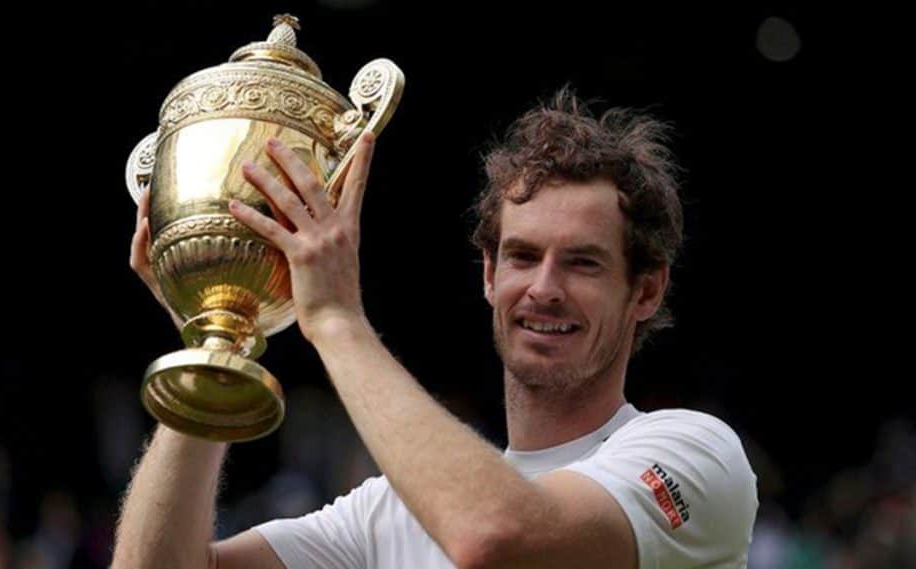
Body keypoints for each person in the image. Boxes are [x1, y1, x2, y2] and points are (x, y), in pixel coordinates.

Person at [114, 89, 758, 569]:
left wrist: (337, 319)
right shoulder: (386, 512)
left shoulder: (693, 454)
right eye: (523, 256)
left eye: (583, 263)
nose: (543, 288)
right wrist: (212, 341)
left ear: (646, 289)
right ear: (488, 272)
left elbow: (497, 537)